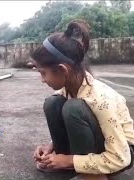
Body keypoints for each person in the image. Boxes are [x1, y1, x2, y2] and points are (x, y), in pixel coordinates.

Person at [30, 19, 134, 180]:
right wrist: (51, 148)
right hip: (101, 147)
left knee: (74, 108)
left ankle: (93, 176)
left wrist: (69, 160)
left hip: (122, 151)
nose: (42, 79)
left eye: (43, 73)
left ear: (62, 70)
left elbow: (121, 158)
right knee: (53, 103)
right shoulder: (68, 88)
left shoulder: (100, 99)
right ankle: (70, 164)